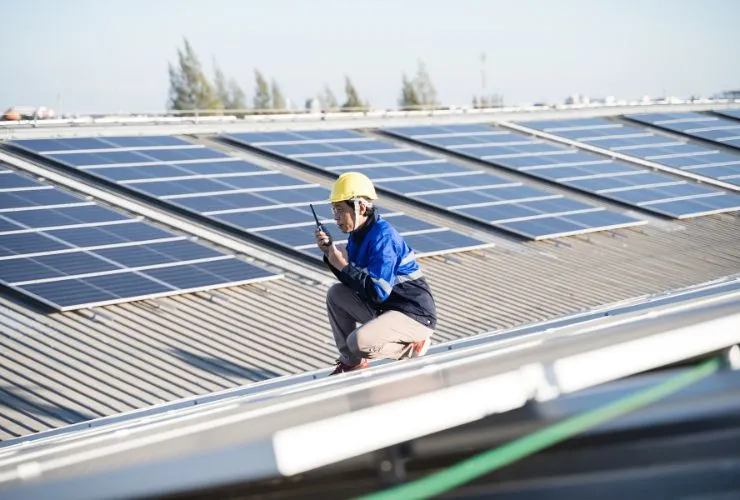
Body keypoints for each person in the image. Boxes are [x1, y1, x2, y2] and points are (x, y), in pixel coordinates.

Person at [315, 172, 437, 375]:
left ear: (360, 207)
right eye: (333, 210)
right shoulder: (357, 236)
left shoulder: (383, 238)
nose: (335, 217)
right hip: (387, 309)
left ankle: (412, 346)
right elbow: (354, 283)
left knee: (358, 341)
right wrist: (330, 255)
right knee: (336, 294)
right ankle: (351, 363)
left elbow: (377, 291)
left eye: (339, 209)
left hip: (414, 315)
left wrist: (343, 266)